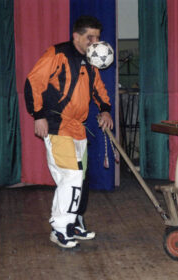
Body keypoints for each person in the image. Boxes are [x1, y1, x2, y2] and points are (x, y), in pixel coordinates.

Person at [24, 15, 113, 248]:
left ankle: (74, 223)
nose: (94, 42)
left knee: (79, 179)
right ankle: (60, 228)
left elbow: (98, 89)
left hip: (78, 128)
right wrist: (38, 115)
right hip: (56, 125)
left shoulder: (92, 60)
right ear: (76, 36)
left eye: (97, 38)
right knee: (71, 176)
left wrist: (105, 110)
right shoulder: (57, 54)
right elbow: (33, 82)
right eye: (89, 37)